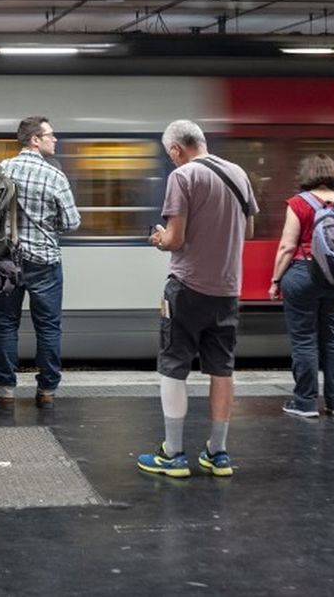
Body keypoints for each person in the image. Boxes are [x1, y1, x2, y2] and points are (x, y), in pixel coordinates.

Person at [137, 120, 256, 478]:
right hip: (228, 290)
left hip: (188, 287)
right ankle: (218, 453)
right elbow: (247, 231)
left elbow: (175, 238)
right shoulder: (238, 173)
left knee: (173, 364)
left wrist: (159, 238)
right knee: (222, 368)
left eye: (170, 154)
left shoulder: (183, 176)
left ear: (176, 149)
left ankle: (173, 454)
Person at [0, 116, 81, 410]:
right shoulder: (55, 177)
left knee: (5, 325)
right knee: (49, 327)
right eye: (50, 135)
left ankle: (4, 391)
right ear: (34, 140)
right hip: (45, 263)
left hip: (5, 261)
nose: (55, 139)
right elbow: (72, 223)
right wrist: (48, 225)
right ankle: (47, 391)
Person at [268, 154, 334, 418]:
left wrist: (276, 280)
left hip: (304, 274)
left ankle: (306, 403)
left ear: (306, 175)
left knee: (304, 340)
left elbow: (288, 246)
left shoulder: (298, 203)